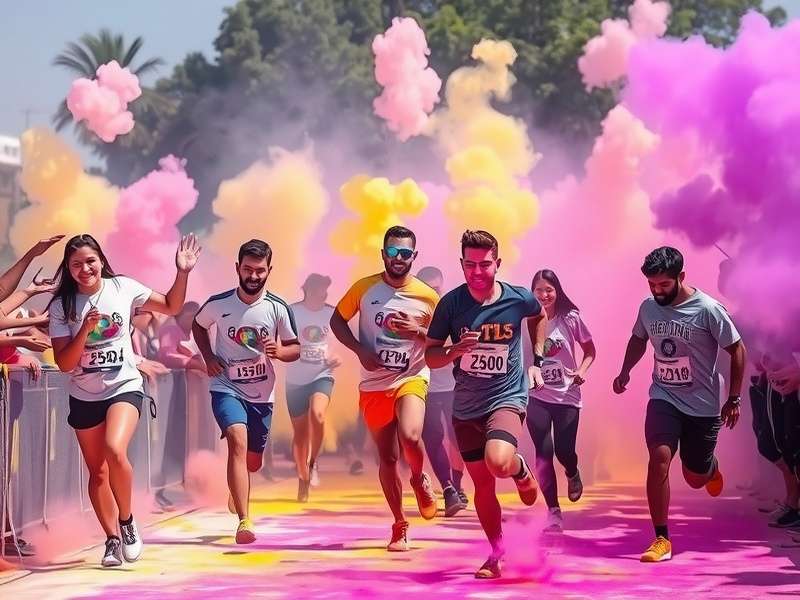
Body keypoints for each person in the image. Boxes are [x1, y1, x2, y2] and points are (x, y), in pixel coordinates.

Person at [49, 233, 201, 567]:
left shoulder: (123, 288)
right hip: (84, 392)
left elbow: (172, 306)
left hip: (124, 385)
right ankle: (111, 539)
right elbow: (64, 364)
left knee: (115, 450)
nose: (85, 269)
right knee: (97, 472)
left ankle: (128, 521)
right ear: (68, 269)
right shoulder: (62, 306)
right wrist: (84, 332)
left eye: (90, 261)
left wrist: (183, 272)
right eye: (76, 264)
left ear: (101, 260)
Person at [425, 230, 547, 579]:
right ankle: (497, 553)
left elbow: (539, 315)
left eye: (485, 264)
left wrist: (535, 359)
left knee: (498, 461)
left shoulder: (518, 298)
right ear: (462, 264)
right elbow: (431, 355)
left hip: (506, 396)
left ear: (498, 263)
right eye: (470, 265)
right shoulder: (450, 305)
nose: (477, 272)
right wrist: (453, 351)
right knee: (483, 485)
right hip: (465, 408)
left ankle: (519, 467)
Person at [613, 246, 746, 563]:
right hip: (664, 397)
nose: (657, 291)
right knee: (659, 457)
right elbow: (638, 338)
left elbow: (737, 350)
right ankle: (661, 539)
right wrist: (625, 371)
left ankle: (709, 467)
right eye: (652, 285)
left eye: (664, 285)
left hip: (702, 405)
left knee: (694, 477)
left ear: (681, 277)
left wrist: (734, 398)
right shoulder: (648, 308)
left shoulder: (709, 310)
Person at [330, 225, 438, 552]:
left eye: (405, 253)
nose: (399, 258)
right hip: (374, 385)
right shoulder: (364, 288)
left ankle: (420, 479)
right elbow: (337, 320)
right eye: (393, 252)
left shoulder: (428, 297)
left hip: (411, 378)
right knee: (387, 458)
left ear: (414, 257)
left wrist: (417, 329)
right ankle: (399, 525)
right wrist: (359, 349)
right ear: (383, 254)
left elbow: (439, 343)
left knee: (411, 435)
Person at [192, 239, 299, 544]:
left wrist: (279, 351)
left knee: (252, 461)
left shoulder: (278, 308)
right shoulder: (218, 303)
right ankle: (244, 520)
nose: (253, 276)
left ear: (269, 271)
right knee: (237, 442)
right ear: (237, 268)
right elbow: (198, 326)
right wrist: (209, 357)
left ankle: (236, 488)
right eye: (248, 270)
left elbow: (295, 349)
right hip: (226, 386)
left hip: (262, 395)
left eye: (260, 271)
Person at [524, 269, 595, 533]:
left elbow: (590, 350)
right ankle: (553, 511)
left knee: (564, 451)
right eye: (539, 290)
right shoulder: (524, 319)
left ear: (557, 292)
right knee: (543, 454)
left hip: (567, 396)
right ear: (531, 293)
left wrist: (581, 372)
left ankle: (572, 471)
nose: (544, 295)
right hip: (536, 395)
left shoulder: (570, 318)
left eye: (549, 290)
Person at [417, 266, 468, 516]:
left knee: (458, 439)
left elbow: (458, 345)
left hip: (454, 386)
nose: (431, 294)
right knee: (433, 437)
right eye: (426, 289)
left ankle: (457, 485)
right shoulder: (410, 311)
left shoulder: (455, 310)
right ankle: (448, 489)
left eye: (436, 289)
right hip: (423, 385)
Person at [286, 274, 340, 501]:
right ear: (307, 289)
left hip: (322, 374)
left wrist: (336, 356)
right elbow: (279, 340)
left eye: (326, 289)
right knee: (300, 433)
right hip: (295, 379)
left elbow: (340, 342)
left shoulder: (332, 313)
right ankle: (303, 477)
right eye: (320, 288)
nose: (324, 293)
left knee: (318, 415)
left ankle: (313, 461)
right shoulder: (291, 311)